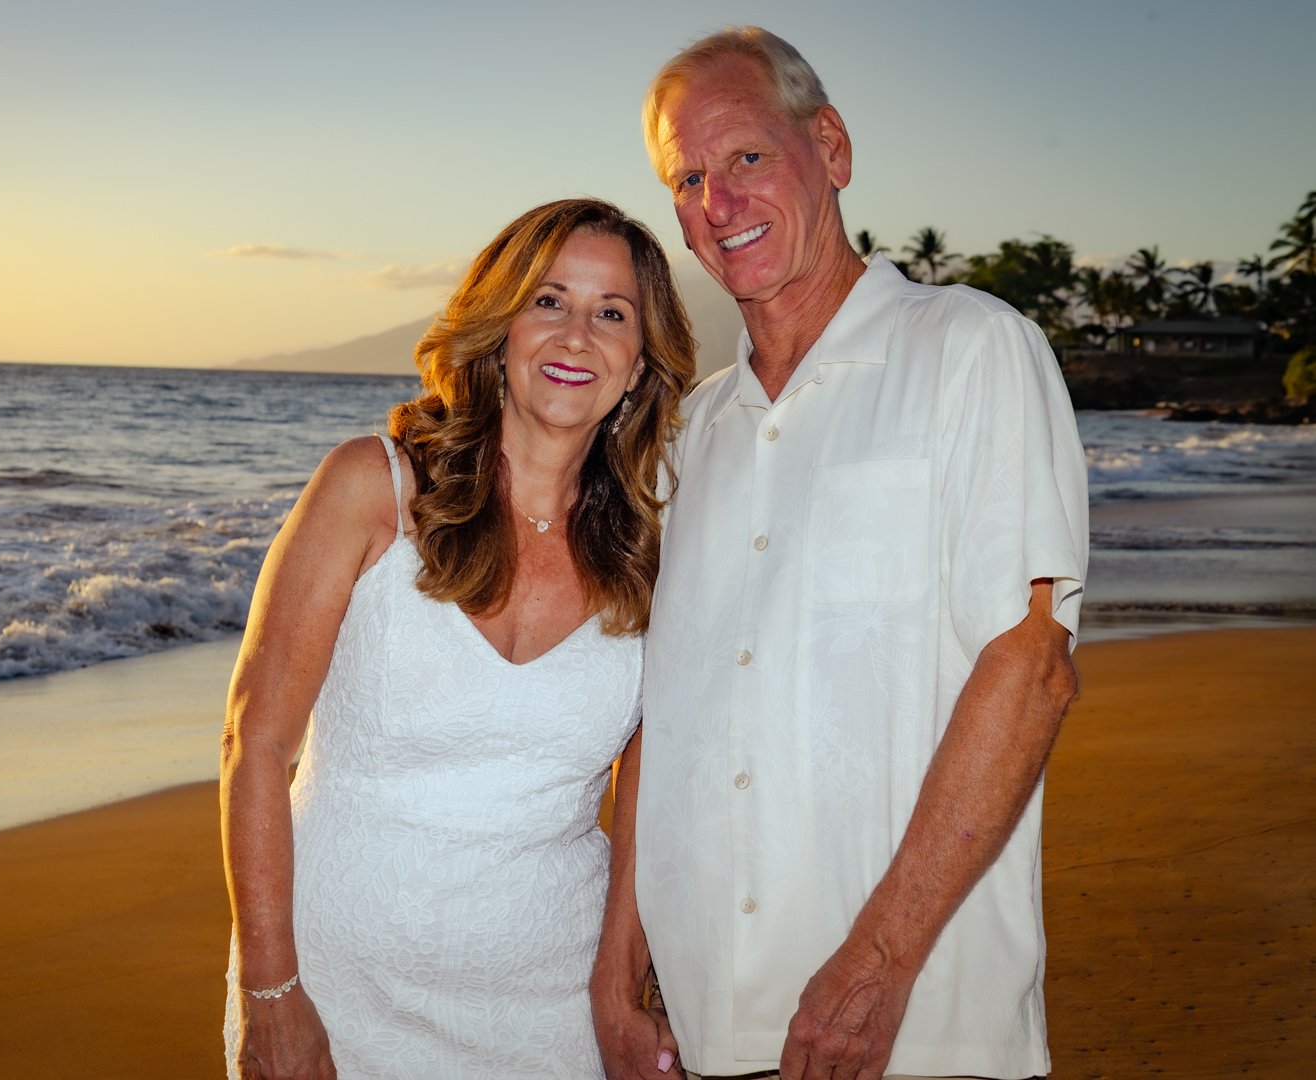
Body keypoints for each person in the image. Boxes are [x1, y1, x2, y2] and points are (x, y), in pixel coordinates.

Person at [592, 28, 1089, 1080]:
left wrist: (879, 962)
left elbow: (1030, 668)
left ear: (832, 147)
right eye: (686, 178)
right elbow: (666, 716)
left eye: (747, 158)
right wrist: (615, 958)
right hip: (708, 1031)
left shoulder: (971, 350)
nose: (717, 202)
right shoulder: (689, 433)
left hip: (917, 1031)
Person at [221, 197, 696, 1079]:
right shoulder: (374, 486)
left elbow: (644, 794)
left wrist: (624, 986)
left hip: (553, 1011)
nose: (575, 335)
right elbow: (255, 742)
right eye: (548, 301)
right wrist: (271, 991)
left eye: (612, 314)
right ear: (500, 327)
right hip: (332, 993)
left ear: (637, 365)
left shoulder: (655, 543)